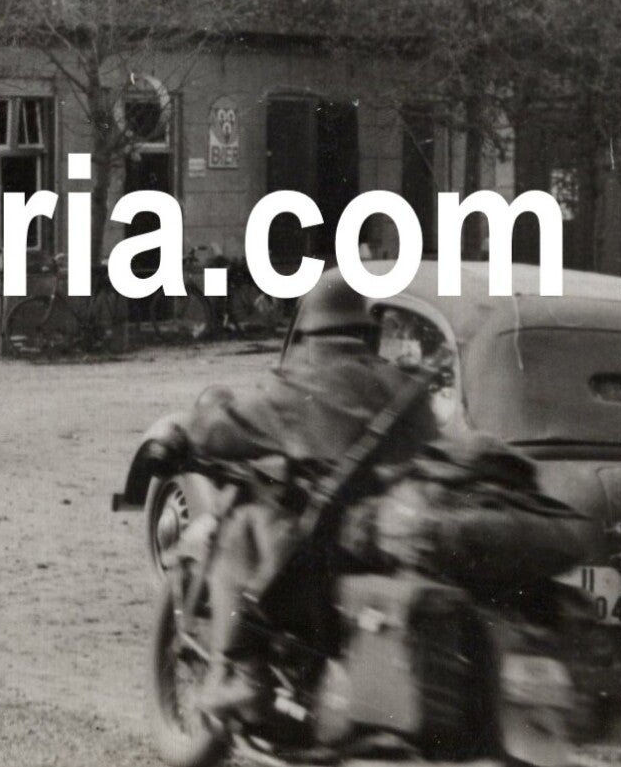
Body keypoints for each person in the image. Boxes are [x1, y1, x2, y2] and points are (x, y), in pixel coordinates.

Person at [163, 271, 439, 727]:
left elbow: (223, 429)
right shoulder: (403, 390)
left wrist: (184, 430)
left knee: (244, 520)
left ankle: (242, 673)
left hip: (314, 565)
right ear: (368, 329)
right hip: (389, 550)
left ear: (309, 331)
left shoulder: (299, 385)